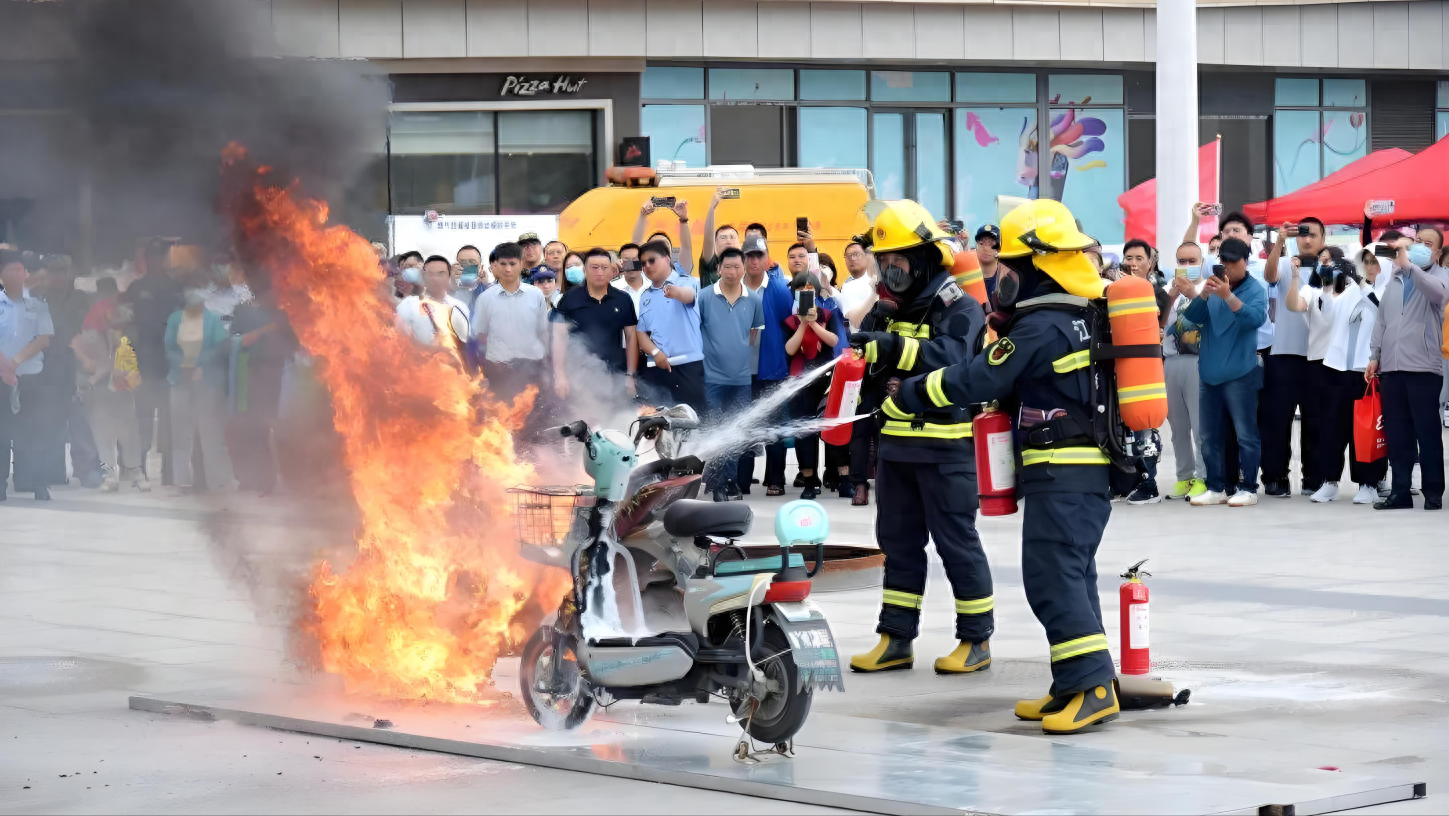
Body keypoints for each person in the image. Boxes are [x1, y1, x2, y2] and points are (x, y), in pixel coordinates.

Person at [889, 199, 1117, 733]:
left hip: (1064, 469)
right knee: (1073, 574)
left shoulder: (1043, 326)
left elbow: (977, 378)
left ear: (1040, 265)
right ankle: (1075, 682)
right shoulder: (1081, 315)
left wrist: (912, 395)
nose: (1001, 278)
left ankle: (1093, 688)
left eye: (1008, 267)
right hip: (1076, 470)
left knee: (1051, 576)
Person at [844, 200, 993, 680]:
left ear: (927, 257)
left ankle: (975, 640)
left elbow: (951, 355)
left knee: (957, 544)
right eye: (884, 260)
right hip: (895, 449)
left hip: (945, 452)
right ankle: (895, 639)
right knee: (898, 545)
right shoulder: (887, 310)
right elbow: (866, 361)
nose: (891, 268)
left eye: (900, 258)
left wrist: (892, 348)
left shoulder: (962, 307)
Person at [1366, 235, 1448, 510]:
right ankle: (1400, 491)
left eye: (1427, 243)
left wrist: (1410, 266)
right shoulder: (1396, 279)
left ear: (1437, 252)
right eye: (1416, 242)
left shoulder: (1441, 276)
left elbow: (1439, 295)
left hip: (1424, 367)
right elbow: (1382, 320)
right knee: (1398, 434)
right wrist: (1374, 356)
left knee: (1427, 433)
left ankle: (1433, 491)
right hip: (1392, 368)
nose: (1419, 247)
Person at [1186, 237, 1269, 507]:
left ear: (1246, 261)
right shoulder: (1211, 286)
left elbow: (1254, 320)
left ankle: (1249, 488)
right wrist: (1204, 294)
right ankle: (1216, 486)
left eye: (1234, 261)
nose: (1228, 266)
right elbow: (1192, 319)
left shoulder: (1255, 289)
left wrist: (1228, 296)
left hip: (1240, 373)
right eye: (1224, 261)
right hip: (1209, 373)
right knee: (1208, 435)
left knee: (1245, 434)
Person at [1259, 218, 1326, 498]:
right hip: (1283, 354)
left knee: (1318, 422)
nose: (1307, 239)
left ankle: (1316, 477)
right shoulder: (1286, 264)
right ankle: (1275, 477)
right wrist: (1280, 241)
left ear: (1324, 237)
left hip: (1319, 357)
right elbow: (1269, 275)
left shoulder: (1331, 269)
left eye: (1313, 235)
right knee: (1275, 422)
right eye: (1302, 234)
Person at [1285, 253, 1360, 502]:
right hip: (1319, 364)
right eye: (1321, 261)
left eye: (1329, 260)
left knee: (1357, 426)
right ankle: (1329, 480)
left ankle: (1370, 482)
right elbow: (1294, 305)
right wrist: (1295, 278)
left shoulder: (1353, 289)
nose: (1324, 264)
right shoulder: (1312, 289)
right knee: (1326, 426)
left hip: (1350, 366)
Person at [696, 247, 764, 501]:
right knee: (713, 429)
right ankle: (716, 483)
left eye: (737, 267)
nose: (732, 272)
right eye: (727, 267)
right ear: (718, 269)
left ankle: (729, 480)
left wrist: (744, 361)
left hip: (741, 379)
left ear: (744, 268)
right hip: (710, 378)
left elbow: (754, 334)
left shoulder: (754, 299)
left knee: (735, 431)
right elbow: (696, 331)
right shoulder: (704, 297)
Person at [34, 255, 103, 488]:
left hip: (76, 363)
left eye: (64, 271)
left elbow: (91, 330)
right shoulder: (39, 299)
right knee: (50, 420)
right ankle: (54, 471)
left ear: (71, 272)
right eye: (55, 272)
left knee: (80, 419)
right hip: (47, 366)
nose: (60, 276)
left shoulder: (82, 299)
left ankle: (87, 470)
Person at [165, 287, 237, 493]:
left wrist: (199, 365)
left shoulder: (212, 320)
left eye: (198, 307)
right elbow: (169, 349)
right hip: (179, 380)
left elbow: (221, 347)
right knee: (180, 434)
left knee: (210, 433)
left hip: (207, 383)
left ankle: (215, 480)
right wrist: (184, 365)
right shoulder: (175, 320)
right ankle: (182, 481)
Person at [124, 239, 184, 485]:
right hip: (142, 363)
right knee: (143, 419)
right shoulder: (136, 288)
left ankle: (169, 473)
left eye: (160, 257)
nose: (155, 261)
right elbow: (125, 323)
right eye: (151, 257)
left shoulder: (175, 288)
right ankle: (139, 470)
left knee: (170, 421)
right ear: (145, 260)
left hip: (169, 364)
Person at [72, 300, 147, 492]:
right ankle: (110, 475)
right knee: (102, 433)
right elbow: (91, 364)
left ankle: (136, 472)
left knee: (129, 432)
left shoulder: (126, 334)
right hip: (102, 391)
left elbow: (133, 357)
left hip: (123, 388)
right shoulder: (90, 334)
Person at [738, 234, 793, 496]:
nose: (754, 260)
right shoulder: (733, 286)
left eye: (759, 255)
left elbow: (787, 324)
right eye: (749, 255)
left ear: (767, 257)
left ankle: (776, 480)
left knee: (774, 427)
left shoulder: (779, 289)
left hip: (771, 368)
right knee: (743, 425)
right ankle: (742, 481)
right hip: (740, 370)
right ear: (743, 258)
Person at [229, 278, 294, 494]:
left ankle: (275, 481)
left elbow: (295, 345)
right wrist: (266, 329)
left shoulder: (285, 315)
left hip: (278, 378)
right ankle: (255, 480)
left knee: (273, 432)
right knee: (252, 430)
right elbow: (239, 340)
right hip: (251, 377)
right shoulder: (245, 312)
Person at [1117, 239, 1170, 504]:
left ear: (1150, 262)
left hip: (1145, 370)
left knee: (1144, 428)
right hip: (1119, 365)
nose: (1133, 263)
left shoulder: (1157, 291)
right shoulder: (1115, 289)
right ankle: (1125, 481)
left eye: (1139, 258)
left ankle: (1150, 482)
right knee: (1122, 428)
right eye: (1129, 258)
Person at [0, 251, 56, 500]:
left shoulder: (39, 305)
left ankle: (39, 484)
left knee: (35, 431)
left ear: (26, 274)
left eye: (20, 270)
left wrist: (15, 362)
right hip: (2, 378)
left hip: (32, 377)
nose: (16, 275)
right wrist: (5, 368)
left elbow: (43, 339)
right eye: (10, 270)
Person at [550, 247, 639, 402]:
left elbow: (631, 338)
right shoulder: (569, 298)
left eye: (604, 268)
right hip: (579, 374)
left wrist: (630, 375)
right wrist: (560, 375)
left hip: (614, 373)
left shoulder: (623, 299)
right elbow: (558, 337)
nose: (599, 272)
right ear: (585, 270)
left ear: (612, 271)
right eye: (594, 267)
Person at [781, 271, 839, 500]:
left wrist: (814, 323)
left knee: (831, 426)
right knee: (804, 431)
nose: (805, 294)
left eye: (809, 291)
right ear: (794, 294)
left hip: (824, 381)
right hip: (799, 384)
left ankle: (835, 474)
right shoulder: (789, 321)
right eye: (800, 291)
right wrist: (803, 324)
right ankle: (809, 479)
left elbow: (833, 341)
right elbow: (790, 349)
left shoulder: (828, 314)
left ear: (817, 293)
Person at [472, 242, 551, 405]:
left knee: (535, 418)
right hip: (500, 371)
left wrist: (547, 366)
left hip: (532, 369)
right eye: (503, 264)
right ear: (496, 265)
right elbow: (480, 338)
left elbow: (542, 332)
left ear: (521, 264)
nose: (508, 269)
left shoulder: (536, 294)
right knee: (505, 419)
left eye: (513, 264)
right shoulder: (485, 299)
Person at [634, 240, 705, 414]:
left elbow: (689, 296)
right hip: (657, 367)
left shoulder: (687, 281)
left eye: (652, 260)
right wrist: (656, 353)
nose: (647, 266)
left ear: (667, 259)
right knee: (659, 422)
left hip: (688, 367)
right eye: (643, 264)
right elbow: (641, 333)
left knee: (693, 419)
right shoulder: (645, 296)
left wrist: (676, 292)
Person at [1163, 242, 1208, 500]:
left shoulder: (1207, 289)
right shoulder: (1170, 291)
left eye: (1192, 261)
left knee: (1200, 426)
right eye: (1182, 261)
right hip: (1172, 363)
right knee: (1178, 426)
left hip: (1198, 362)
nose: (1187, 266)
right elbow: (1160, 323)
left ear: (1202, 263)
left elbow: (1208, 319)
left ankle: (1203, 476)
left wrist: (1192, 293)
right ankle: (1184, 475)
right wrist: (1169, 297)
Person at [396, 256, 471, 351]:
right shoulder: (408, 308)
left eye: (440, 274)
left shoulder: (460, 308)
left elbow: (465, 345)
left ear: (449, 276)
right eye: (430, 274)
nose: (435, 279)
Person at [631, 199, 695, 277]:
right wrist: (642, 215)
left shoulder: (680, 271)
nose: (660, 248)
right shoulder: (642, 274)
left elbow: (686, 247)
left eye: (664, 246)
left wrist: (683, 219)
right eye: (655, 245)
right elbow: (635, 246)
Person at [698, 188, 743, 287]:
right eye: (723, 237)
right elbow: (709, 240)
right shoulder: (710, 267)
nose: (728, 240)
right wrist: (712, 208)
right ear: (715, 245)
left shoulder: (747, 272)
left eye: (732, 237)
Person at [455, 244, 489, 310]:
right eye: (463, 263)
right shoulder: (448, 293)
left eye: (472, 262)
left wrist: (486, 286)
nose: (467, 266)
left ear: (481, 267)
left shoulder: (490, 292)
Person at [974, 224, 1001, 298]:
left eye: (991, 244)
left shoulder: (1006, 275)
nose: (986, 248)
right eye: (981, 243)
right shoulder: (967, 272)